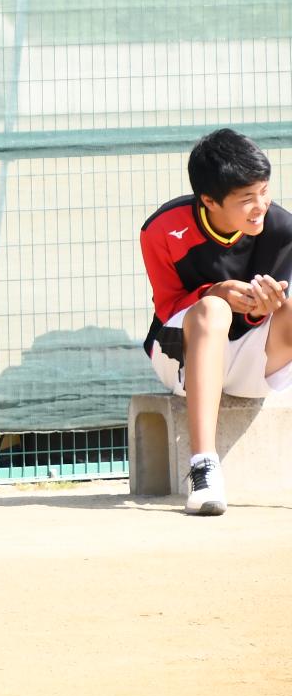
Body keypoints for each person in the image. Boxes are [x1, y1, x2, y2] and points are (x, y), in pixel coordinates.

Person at [138, 128, 292, 515]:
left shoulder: (282, 229)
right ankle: (204, 467)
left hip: (256, 366)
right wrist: (216, 292)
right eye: (246, 199)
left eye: (264, 191)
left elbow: (279, 320)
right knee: (213, 310)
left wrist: (266, 308)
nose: (261, 205)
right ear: (209, 200)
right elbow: (167, 305)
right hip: (181, 359)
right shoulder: (161, 230)